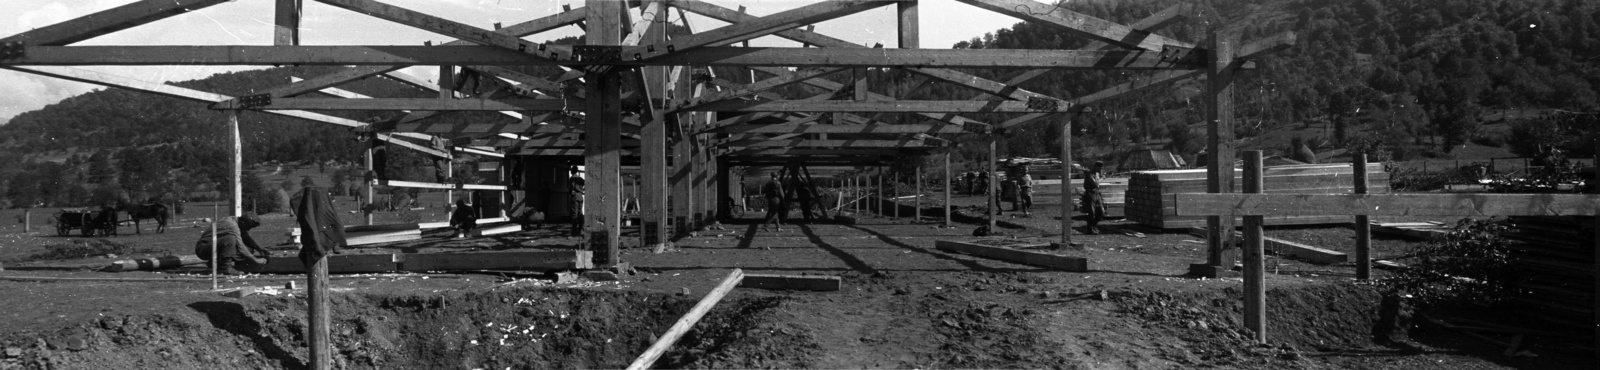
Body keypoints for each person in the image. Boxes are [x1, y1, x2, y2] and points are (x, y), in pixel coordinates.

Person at [194, 214, 268, 275]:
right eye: (248, 227)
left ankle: (216, 264)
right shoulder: (232, 226)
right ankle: (225, 268)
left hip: (212, 247)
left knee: (249, 249)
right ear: (243, 223)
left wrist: (259, 249)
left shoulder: (237, 223)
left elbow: (246, 238)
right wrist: (256, 260)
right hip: (203, 248)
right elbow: (241, 247)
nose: (248, 229)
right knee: (231, 239)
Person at [1077, 161, 1107, 234]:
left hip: (1097, 193)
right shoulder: (1089, 174)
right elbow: (1095, 184)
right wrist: (1102, 178)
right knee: (1091, 212)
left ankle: (1094, 225)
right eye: (1099, 168)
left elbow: (1097, 185)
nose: (1100, 170)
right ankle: (1090, 229)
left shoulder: (1096, 174)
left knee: (1101, 212)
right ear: (1095, 167)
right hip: (1090, 194)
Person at [568, 166, 586, 237]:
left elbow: (571, 187)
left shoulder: (572, 178)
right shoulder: (581, 179)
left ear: (572, 171)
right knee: (580, 213)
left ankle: (574, 231)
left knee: (574, 213)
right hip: (580, 196)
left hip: (575, 195)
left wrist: (572, 191)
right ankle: (581, 229)